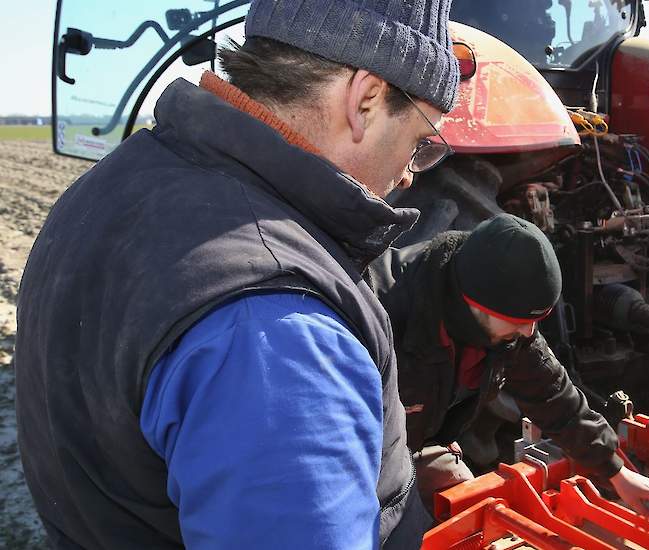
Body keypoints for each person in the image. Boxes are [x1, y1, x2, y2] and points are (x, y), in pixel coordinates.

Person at [15, 0, 459, 548]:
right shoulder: (280, 332)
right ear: (366, 99)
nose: (412, 174)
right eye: (420, 142)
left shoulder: (114, 185)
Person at [368, 214, 649, 520]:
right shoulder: (378, 312)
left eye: (535, 322)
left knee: (469, 514)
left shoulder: (506, 321)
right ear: (472, 304)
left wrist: (616, 471)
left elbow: (553, 396)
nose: (529, 333)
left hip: (415, 443)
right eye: (520, 323)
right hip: (357, 457)